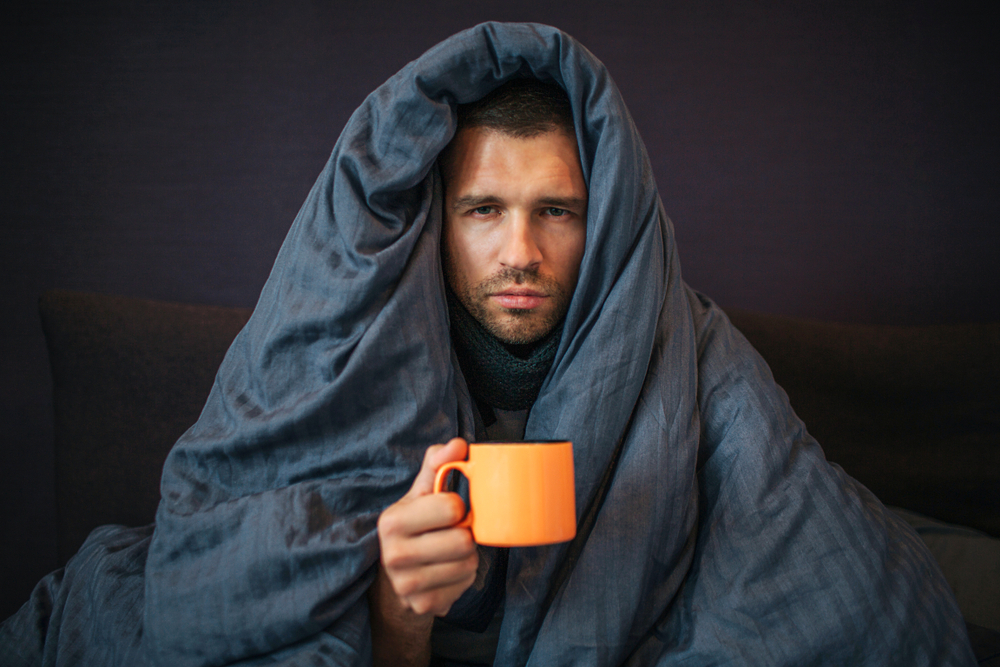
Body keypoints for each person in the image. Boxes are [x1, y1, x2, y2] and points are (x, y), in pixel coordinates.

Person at [0, 22, 976, 667]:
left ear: (607, 227)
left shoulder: (688, 351)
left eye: (557, 209)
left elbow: (838, 589)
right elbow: (219, 573)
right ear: (439, 217)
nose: (520, 252)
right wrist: (393, 611)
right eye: (484, 210)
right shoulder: (356, 352)